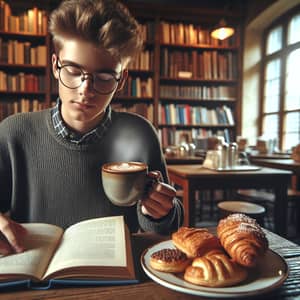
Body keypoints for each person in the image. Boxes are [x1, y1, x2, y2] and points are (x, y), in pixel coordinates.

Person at [0, 0, 183, 255]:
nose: (86, 90)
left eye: (105, 78)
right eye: (73, 71)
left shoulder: (141, 134)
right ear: (55, 66)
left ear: (121, 81)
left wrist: (162, 211)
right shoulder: (13, 133)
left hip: (120, 284)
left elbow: (169, 227)